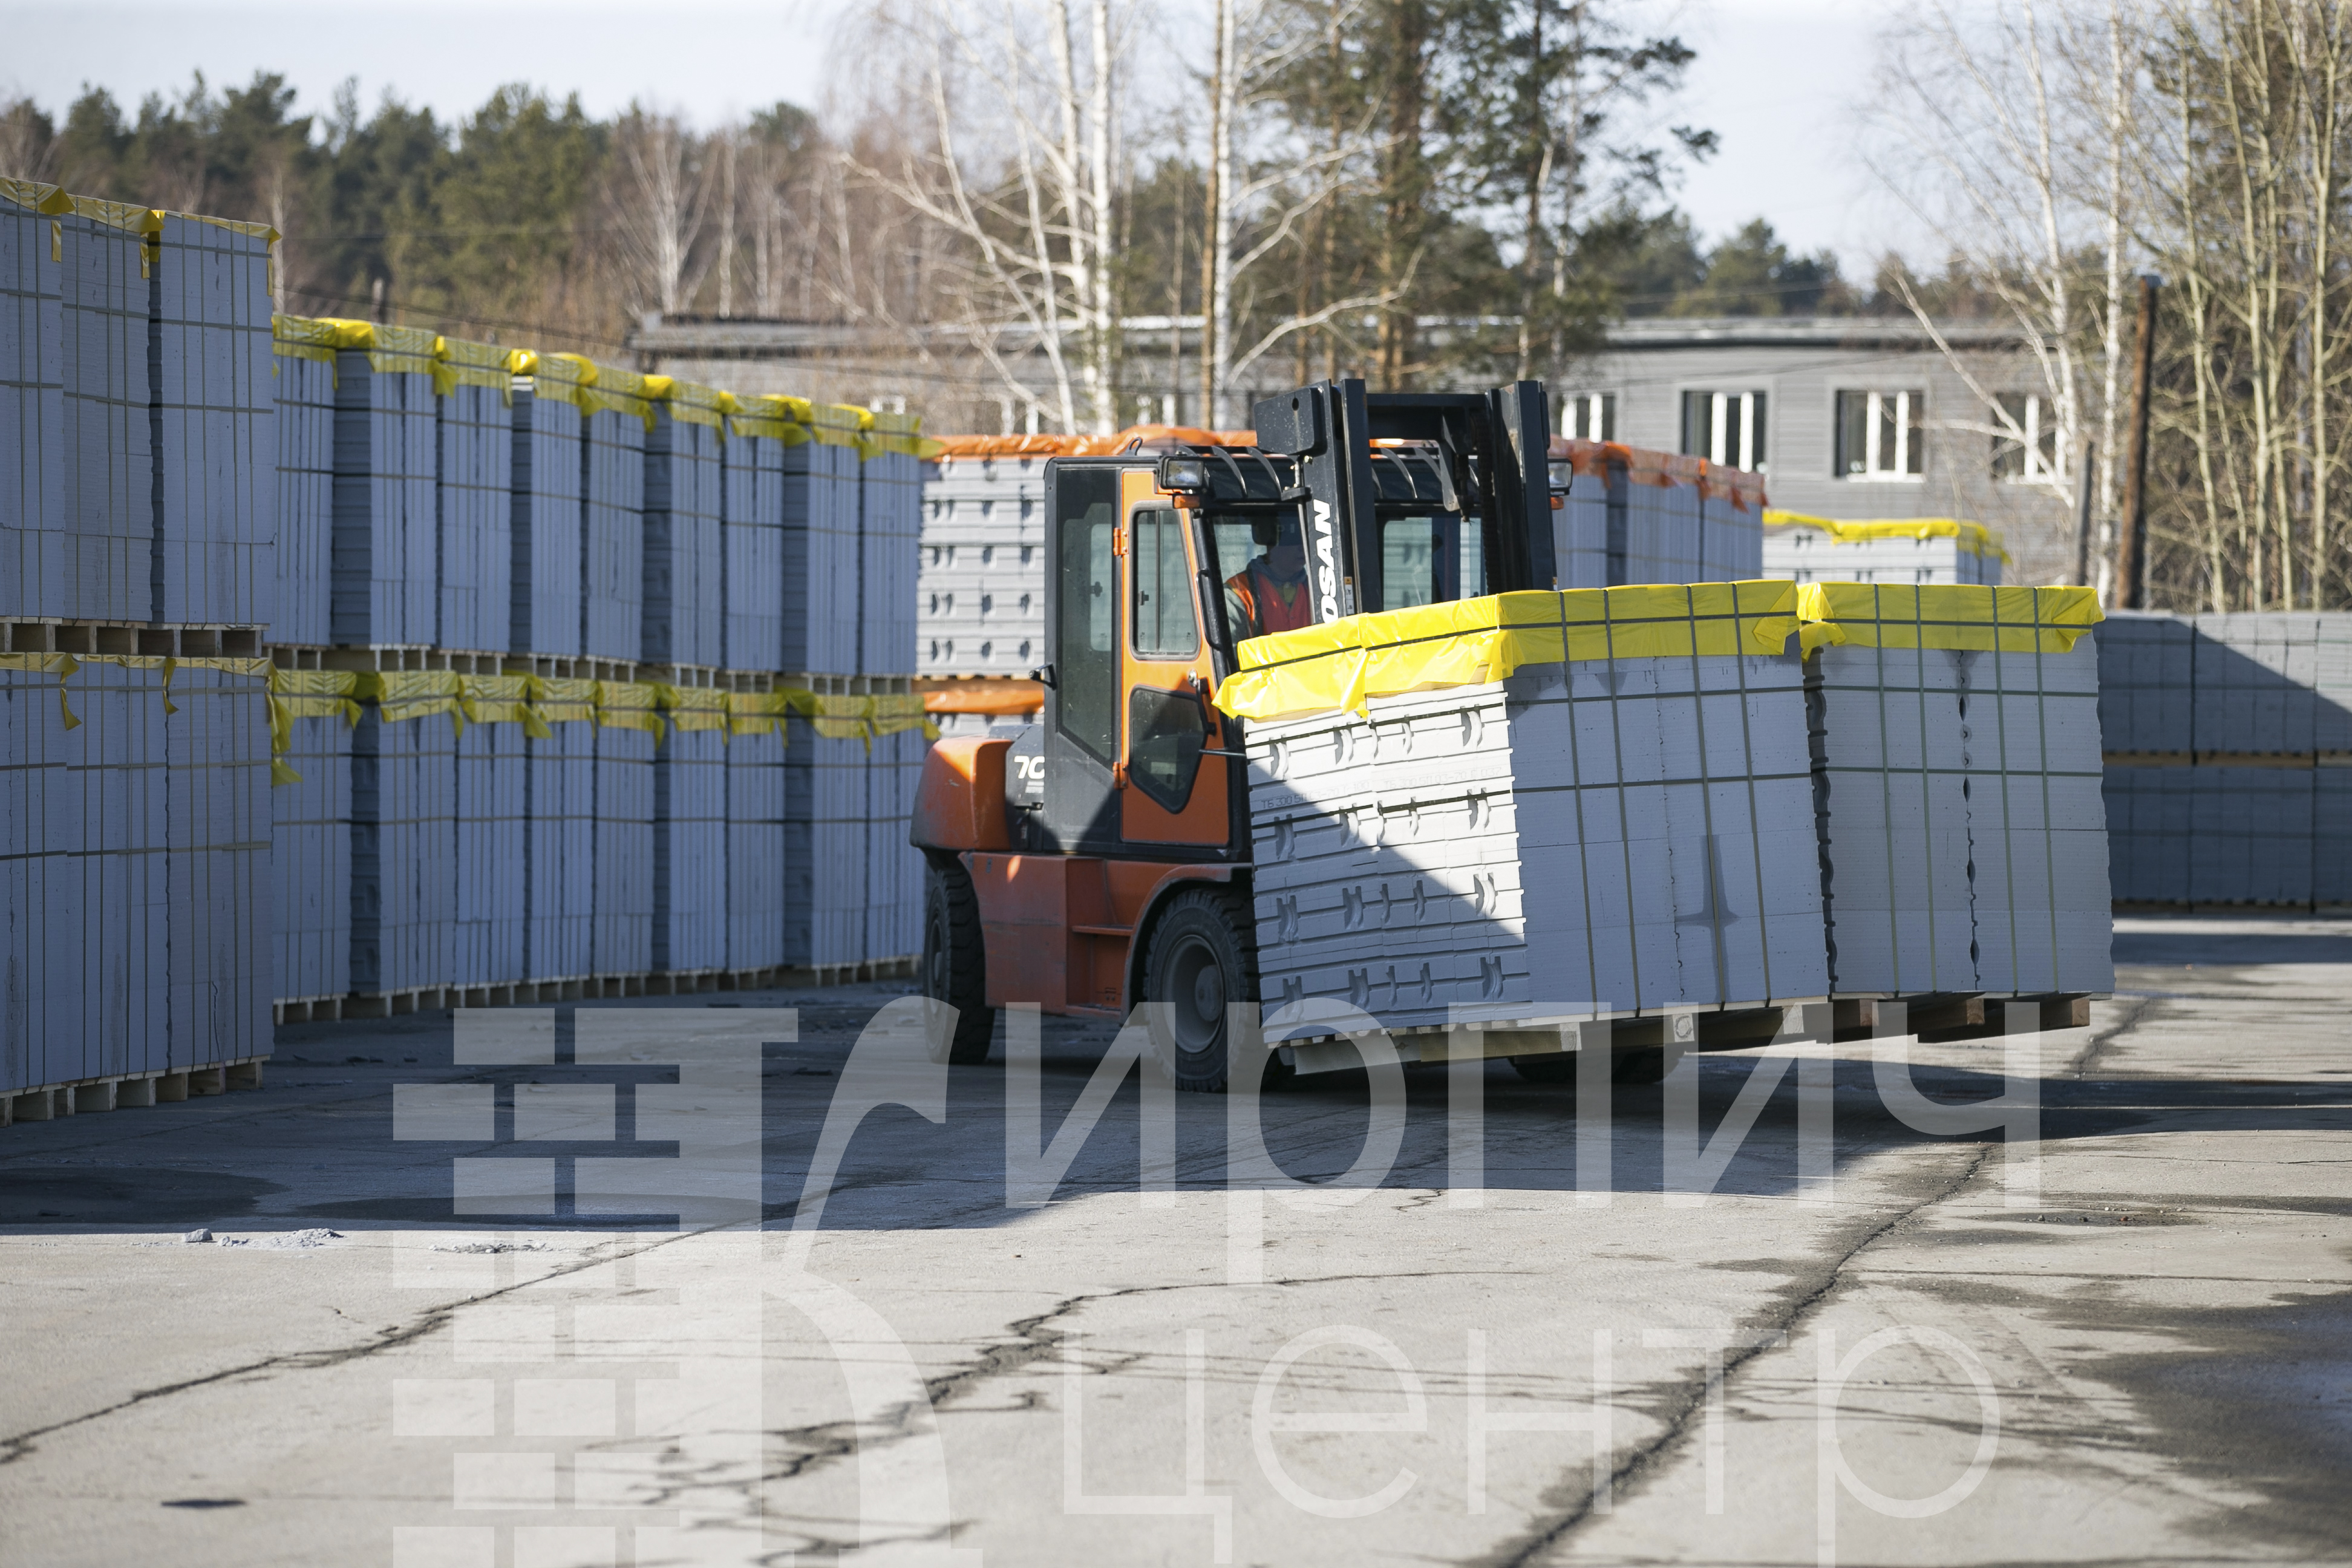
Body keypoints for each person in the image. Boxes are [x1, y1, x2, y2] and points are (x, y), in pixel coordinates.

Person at [1224, 521, 1313, 642]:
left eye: (1305, 538)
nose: (1302, 547)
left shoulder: (1318, 589)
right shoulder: (1238, 592)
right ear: (1272, 543)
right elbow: (1229, 648)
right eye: (1293, 538)